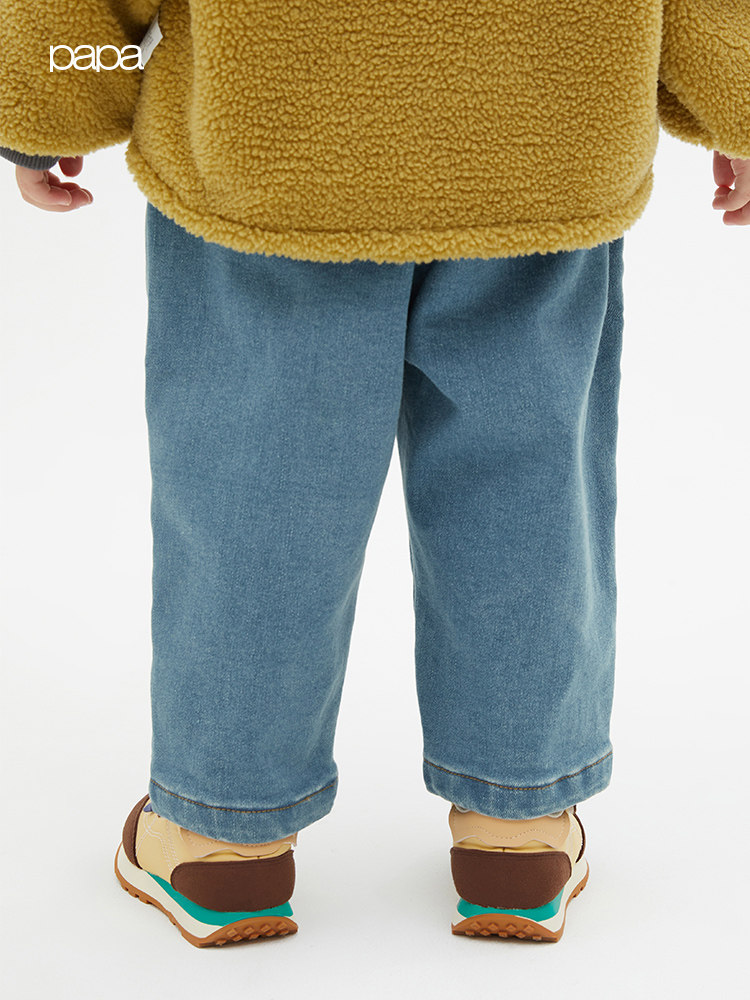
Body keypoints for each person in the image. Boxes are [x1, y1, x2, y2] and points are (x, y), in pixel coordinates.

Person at [1, 1, 748, 948]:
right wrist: (736, 101)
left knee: (254, 498)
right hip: (540, 145)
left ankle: (221, 840)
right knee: (527, 493)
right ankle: (518, 831)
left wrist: (54, 92)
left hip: (276, 151)